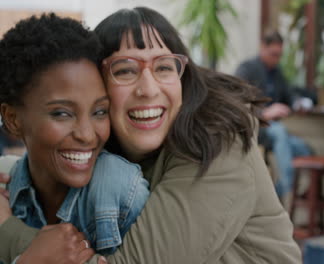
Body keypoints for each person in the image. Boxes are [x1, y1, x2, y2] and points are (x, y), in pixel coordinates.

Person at [0, 7, 302, 264]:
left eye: (164, 67)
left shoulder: (216, 145)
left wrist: (7, 231)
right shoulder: (107, 151)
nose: (148, 89)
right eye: (125, 70)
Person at [0, 14, 149, 263]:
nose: (87, 134)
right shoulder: (7, 191)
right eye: (62, 113)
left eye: (99, 111)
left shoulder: (120, 189)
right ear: (13, 119)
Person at [235, 31, 312, 200]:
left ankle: (277, 193)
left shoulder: (277, 73)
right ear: (263, 47)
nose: (276, 59)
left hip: (275, 132)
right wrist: (265, 113)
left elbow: (289, 93)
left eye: (279, 55)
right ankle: (285, 188)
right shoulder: (247, 69)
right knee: (279, 131)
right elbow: (236, 103)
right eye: (273, 54)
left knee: (304, 149)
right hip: (256, 129)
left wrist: (297, 103)